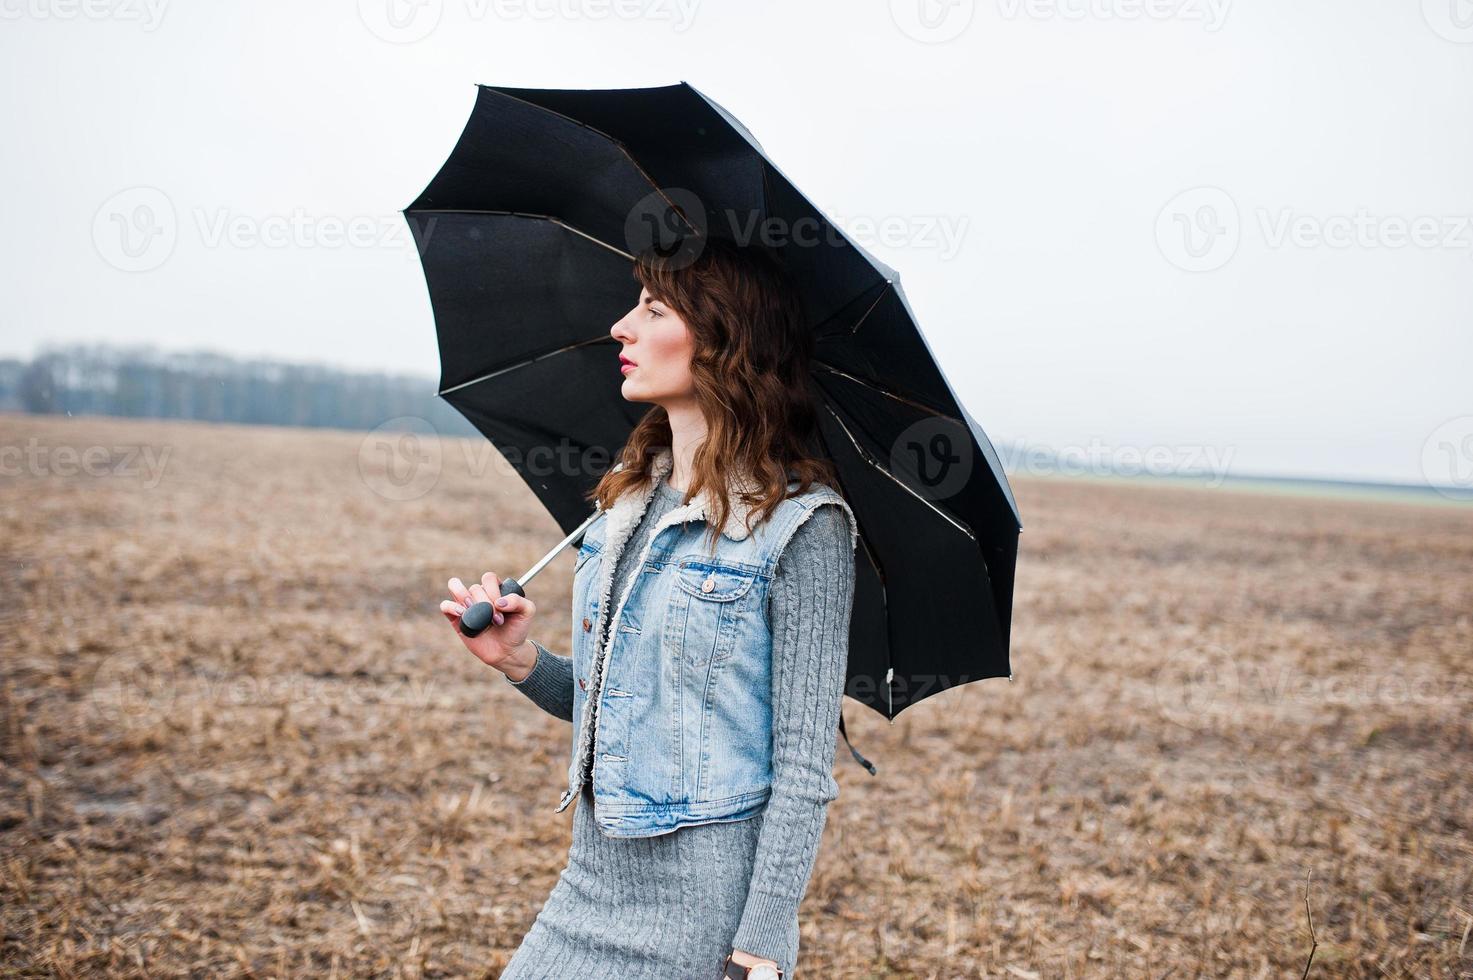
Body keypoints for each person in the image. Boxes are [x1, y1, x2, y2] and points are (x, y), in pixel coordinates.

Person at [438, 236, 859, 979]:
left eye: (652, 309)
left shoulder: (802, 526)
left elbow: (801, 765)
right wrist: (520, 661)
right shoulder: (624, 502)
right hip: (590, 878)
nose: (620, 328)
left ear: (724, 340)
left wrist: (761, 942)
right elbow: (625, 705)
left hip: (706, 911)